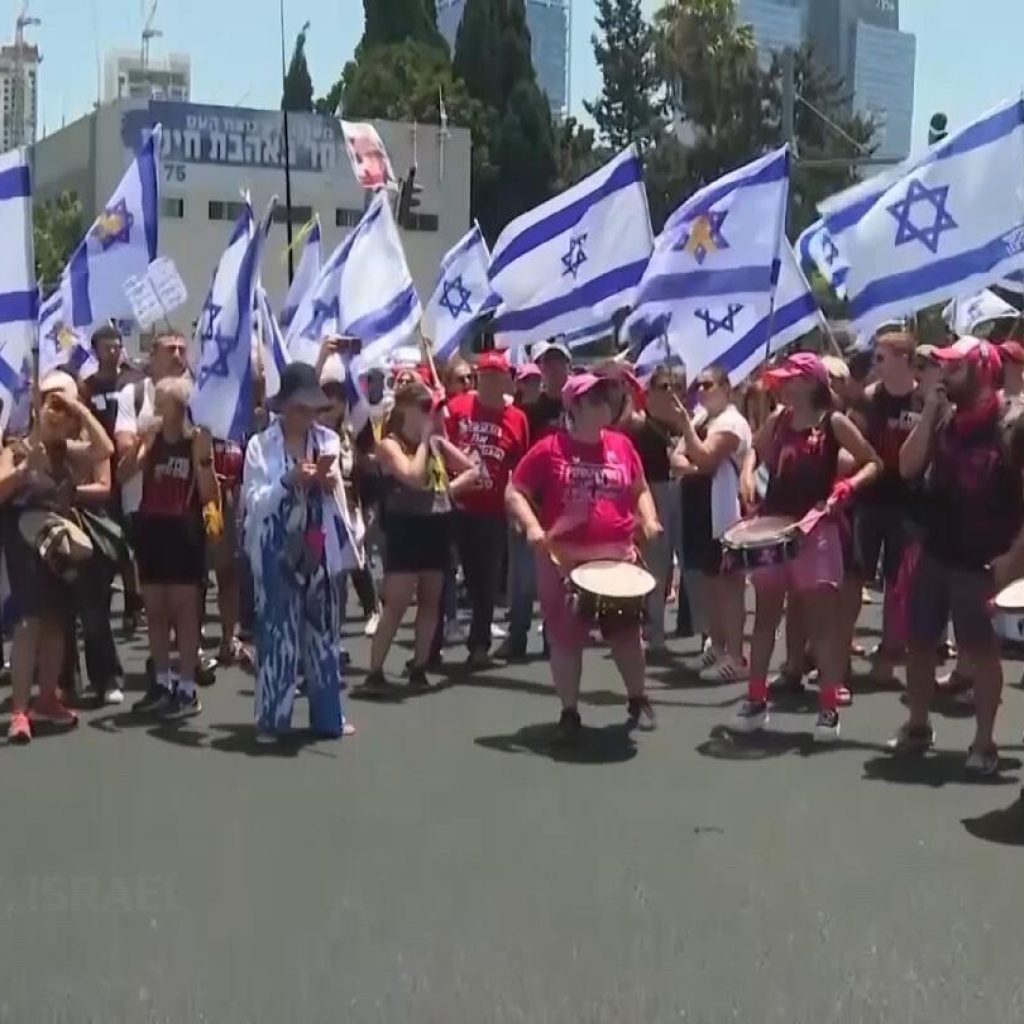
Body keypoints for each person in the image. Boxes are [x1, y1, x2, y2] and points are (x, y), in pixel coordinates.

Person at [892, 338, 1024, 774]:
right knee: (919, 642)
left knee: (982, 652)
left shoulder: (1014, 424)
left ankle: (984, 742)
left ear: (982, 372)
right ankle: (917, 724)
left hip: (985, 560)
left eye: (956, 367)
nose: (944, 373)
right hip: (937, 550)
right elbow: (908, 467)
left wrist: (1012, 560)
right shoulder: (944, 418)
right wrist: (929, 413)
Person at [734, 353, 880, 742]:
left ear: (810, 383)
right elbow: (754, 450)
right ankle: (755, 697)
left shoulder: (833, 422)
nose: (782, 385)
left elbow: (872, 462)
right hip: (773, 527)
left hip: (817, 529)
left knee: (822, 625)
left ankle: (828, 707)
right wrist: (747, 475)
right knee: (765, 618)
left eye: (790, 379)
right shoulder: (779, 419)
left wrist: (847, 486)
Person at [506, 373, 662, 736]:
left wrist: (649, 519)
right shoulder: (550, 448)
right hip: (565, 560)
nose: (604, 405)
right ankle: (569, 712)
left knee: (626, 633)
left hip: (617, 557)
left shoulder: (622, 446)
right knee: (565, 637)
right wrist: (532, 526)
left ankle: (638, 698)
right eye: (593, 400)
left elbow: (639, 488)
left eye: (605, 398)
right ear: (573, 407)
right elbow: (514, 491)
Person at [243, 362, 360, 741]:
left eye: (312, 409)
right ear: (285, 407)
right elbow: (253, 502)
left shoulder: (327, 440)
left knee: (325, 635)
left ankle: (329, 717)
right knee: (278, 637)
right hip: (276, 549)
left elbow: (338, 495)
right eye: (300, 408)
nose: (307, 416)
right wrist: (287, 481)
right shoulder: (260, 446)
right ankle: (272, 721)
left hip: (319, 549)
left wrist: (328, 482)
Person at [0, 371, 115, 743]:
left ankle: (48, 696)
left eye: (63, 408)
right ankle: (20, 709)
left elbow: (105, 450)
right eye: (53, 405)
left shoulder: (67, 450)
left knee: (56, 622)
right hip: (25, 542)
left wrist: (80, 408)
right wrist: (22, 471)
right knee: (29, 623)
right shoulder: (16, 448)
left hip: (60, 544)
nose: (59, 413)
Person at [365, 376, 481, 690]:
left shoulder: (436, 441)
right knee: (398, 603)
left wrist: (445, 491)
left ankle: (419, 665)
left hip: (436, 526)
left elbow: (473, 470)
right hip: (405, 527)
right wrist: (427, 439)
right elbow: (413, 477)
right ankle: (375, 671)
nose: (431, 412)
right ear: (406, 409)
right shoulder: (391, 444)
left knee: (432, 599)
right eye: (425, 407)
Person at [125, 377, 218, 719]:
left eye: (161, 403)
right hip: (152, 529)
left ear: (179, 408)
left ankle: (187, 688)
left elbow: (208, 494)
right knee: (156, 611)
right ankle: (162, 683)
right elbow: (122, 476)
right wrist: (137, 447)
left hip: (184, 530)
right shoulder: (151, 442)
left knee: (184, 612)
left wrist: (204, 461)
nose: (155, 409)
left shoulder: (195, 442)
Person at [446, 350, 529, 667]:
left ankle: (478, 645)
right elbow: (440, 449)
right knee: (445, 574)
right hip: (454, 505)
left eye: (499, 377)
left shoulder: (517, 418)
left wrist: (518, 508)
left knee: (486, 580)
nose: (493, 383)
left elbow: (520, 467)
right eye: (487, 377)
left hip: (492, 511)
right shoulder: (457, 408)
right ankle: (433, 643)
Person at [848, 331, 922, 683]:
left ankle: (889, 659)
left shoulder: (923, 399)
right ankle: (839, 649)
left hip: (909, 504)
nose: (875, 364)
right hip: (869, 500)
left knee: (898, 584)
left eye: (881, 358)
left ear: (904, 359)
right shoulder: (868, 398)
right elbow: (852, 445)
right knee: (854, 577)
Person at [673, 366, 751, 680]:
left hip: (722, 511)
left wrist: (689, 442)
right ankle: (717, 646)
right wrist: (693, 460)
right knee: (708, 583)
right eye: (699, 385)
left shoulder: (732, 422)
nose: (702, 390)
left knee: (728, 586)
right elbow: (677, 457)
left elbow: (706, 458)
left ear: (725, 388)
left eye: (709, 384)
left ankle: (736, 655)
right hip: (697, 506)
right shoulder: (700, 419)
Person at [622, 365, 686, 661]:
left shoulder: (686, 424)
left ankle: (701, 632)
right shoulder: (637, 426)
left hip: (682, 492)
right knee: (655, 567)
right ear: (648, 393)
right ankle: (654, 632)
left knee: (688, 565)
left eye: (675, 386)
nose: (670, 392)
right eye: (663, 387)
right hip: (651, 494)